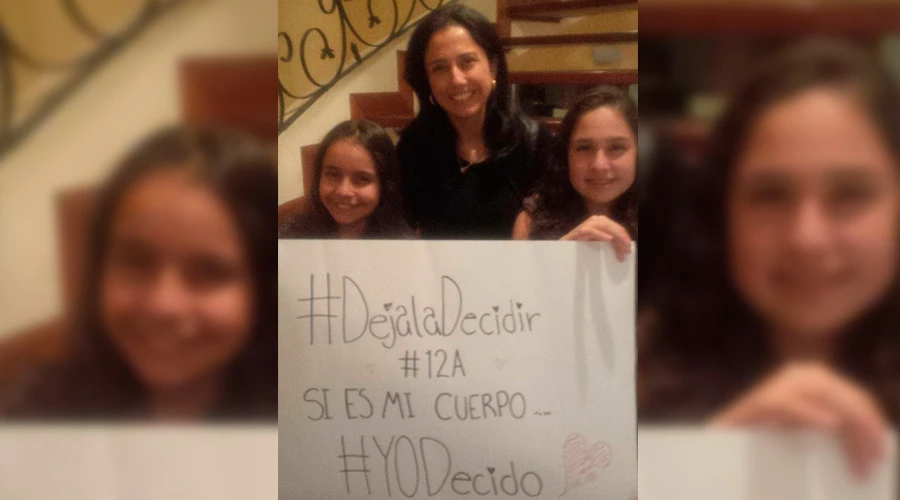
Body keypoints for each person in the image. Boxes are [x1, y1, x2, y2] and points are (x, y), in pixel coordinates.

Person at [639, 39, 900, 478]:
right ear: (722, 210)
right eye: (771, 195)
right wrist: (708, 466)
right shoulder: (635, 370)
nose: (807, 238)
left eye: (850, 194)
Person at [3, 125, 278, 421]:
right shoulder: (42, 408)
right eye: (135, 262)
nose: (162, 305)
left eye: (209, 272)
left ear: (264, 287)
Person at [398, 3, 555, 238]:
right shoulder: (412, 148)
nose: (456, 79)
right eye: (439, 68)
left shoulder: (534, 143)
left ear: (492, 67)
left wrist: (532, 210)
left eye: (467, 62)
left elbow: (559, 209)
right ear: (426, 80)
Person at [512, 86, 637, 261]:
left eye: (616, 147)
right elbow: (518, 278)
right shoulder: (530, 221)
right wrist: (563, 254)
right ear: (566, 154)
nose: (599, 165)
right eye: (584, 148)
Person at [279, 119, 412, 238]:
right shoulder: (293, 237)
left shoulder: (403, 246)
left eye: (362, 179)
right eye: (333, 174)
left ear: (384, 185)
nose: (343, 191)